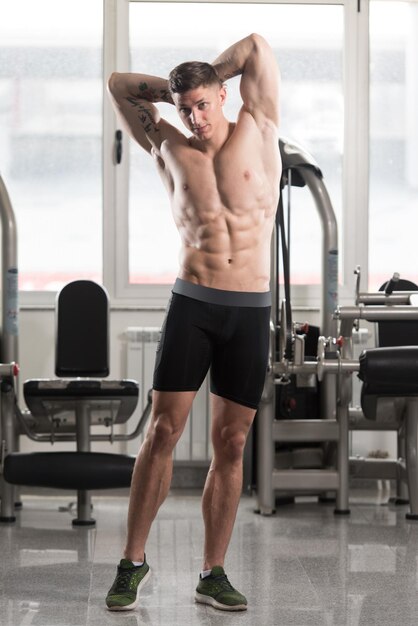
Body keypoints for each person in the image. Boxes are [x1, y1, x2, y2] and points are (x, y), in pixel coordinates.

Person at [105, 33, 281, 612]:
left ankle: (213, 572)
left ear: (225, 96)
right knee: (162, 433)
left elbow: (255, 45)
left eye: (204, 104)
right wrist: (177, 91)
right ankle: (132, 562)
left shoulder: (260, 127)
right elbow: (119, 86)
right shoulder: (166, 146)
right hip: (194, 303)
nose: (195, 118)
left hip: (250, 311)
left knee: (231, 443)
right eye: (185, 109)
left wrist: (206, 75)